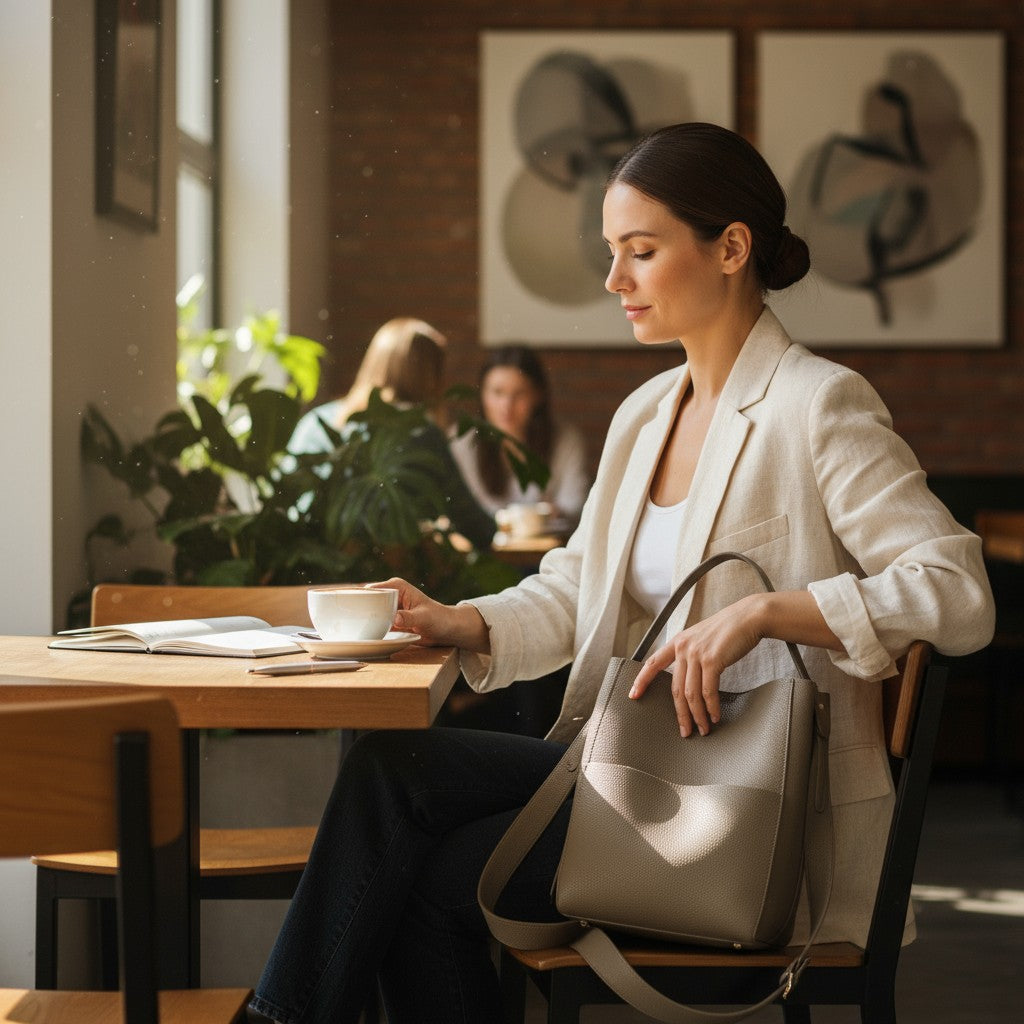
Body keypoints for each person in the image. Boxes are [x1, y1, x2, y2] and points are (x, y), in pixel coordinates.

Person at [250, 123, 995, 1024]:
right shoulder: (644, 414)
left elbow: (957, 590)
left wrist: (767, 611)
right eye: (612, 253)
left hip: (743, 814)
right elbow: (577, 587)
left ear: (730, 248)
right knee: (393, 776)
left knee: (419, 862)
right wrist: (467, 623)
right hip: (627, 768)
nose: (615, 282)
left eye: (640, 252)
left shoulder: (817, 404)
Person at [288, 316, 496, 550]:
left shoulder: (316, 422)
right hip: (391, 578)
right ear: (432, 376)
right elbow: (477, 528)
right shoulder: (421, 435)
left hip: (312, 570)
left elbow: (286, 504)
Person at [449, 345, 591, 527]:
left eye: (519, 393)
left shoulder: (565, 439)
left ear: (538, 395)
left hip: (545, 550)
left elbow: (575, 505)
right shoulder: (463, 440)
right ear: (482, 394)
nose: (506, 406)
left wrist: (558, 512)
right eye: (497, 392)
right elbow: (459, 507)